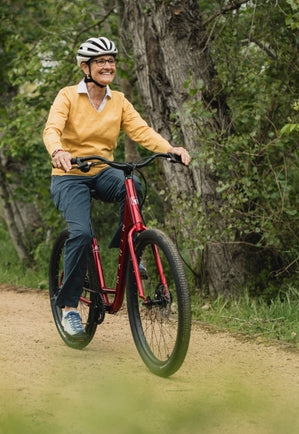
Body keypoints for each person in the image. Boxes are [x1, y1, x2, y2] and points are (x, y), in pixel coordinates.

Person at [43, 36, 191, 342]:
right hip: (69, 174)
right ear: (86, 67)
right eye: (100, 61)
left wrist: (169, 149)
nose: (107, 66)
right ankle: (69, 307)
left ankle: (130, 250)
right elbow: (52, 128)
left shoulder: (119, 101)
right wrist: (58, 151)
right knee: (81, 234)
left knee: (133, 184)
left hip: (102, 171)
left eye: (111, 61)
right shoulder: (68, 96)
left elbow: (141, 131)